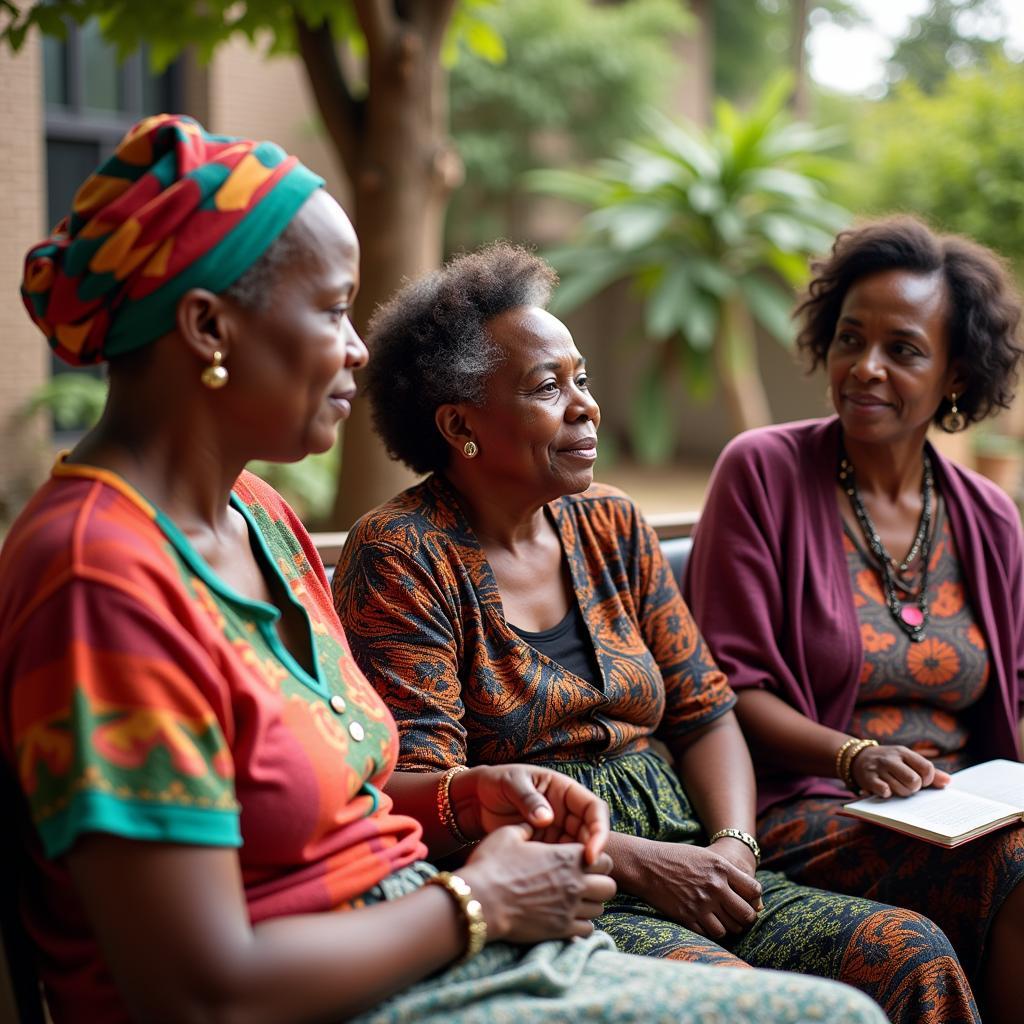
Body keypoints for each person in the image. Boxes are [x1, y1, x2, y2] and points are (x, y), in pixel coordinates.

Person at [0, 114, 890, 1024]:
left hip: (423, 944)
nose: (358, 349)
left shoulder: (258, 519)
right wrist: (478, 904)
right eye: (335, 308)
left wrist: (472, 797)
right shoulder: (99, 582)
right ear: (208, 326)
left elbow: (339, 789)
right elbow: (195, 990)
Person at [333, 242, 979, 1024]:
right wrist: (637, 863)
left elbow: (705, 711)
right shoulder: (403, 553)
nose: (586, 406)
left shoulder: (610, 521)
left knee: (912, 951)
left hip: (699, 853)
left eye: (583, 378)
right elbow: (436, 796)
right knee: (739, 997)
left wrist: (734, 846)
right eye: (548, 386)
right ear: (460, 423)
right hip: (570, 891)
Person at [683, 215, 1024, 1024]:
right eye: (850, 340)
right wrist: (855, 753)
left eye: (902, 350)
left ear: (954, 373)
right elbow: (725, 690)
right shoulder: (761, 472)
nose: (865, 368)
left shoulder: (989, 515)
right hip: (813, 804)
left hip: (966, 805)